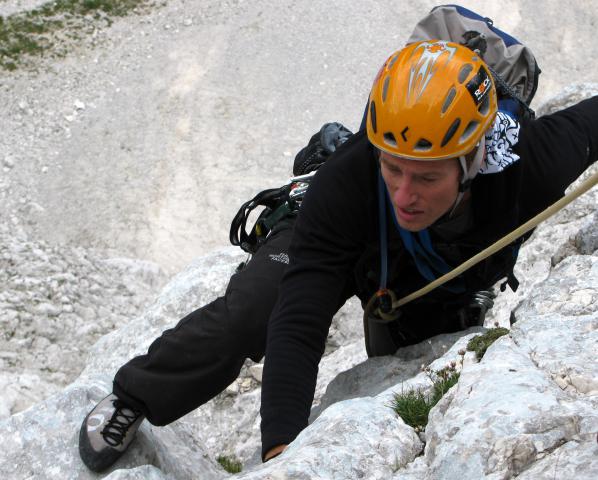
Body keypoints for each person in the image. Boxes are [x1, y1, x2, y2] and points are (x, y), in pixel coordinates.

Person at [79, 40, 598, 471]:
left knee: (406, 357)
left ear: (472, 159)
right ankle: (135, 394)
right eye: (393, 167)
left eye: (426, 176)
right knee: (255, 311)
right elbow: (299, 318)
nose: (404, 194)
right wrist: (284, 451)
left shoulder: (530, 161)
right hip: (339, 235)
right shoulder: (348, 179)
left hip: (428, 275)